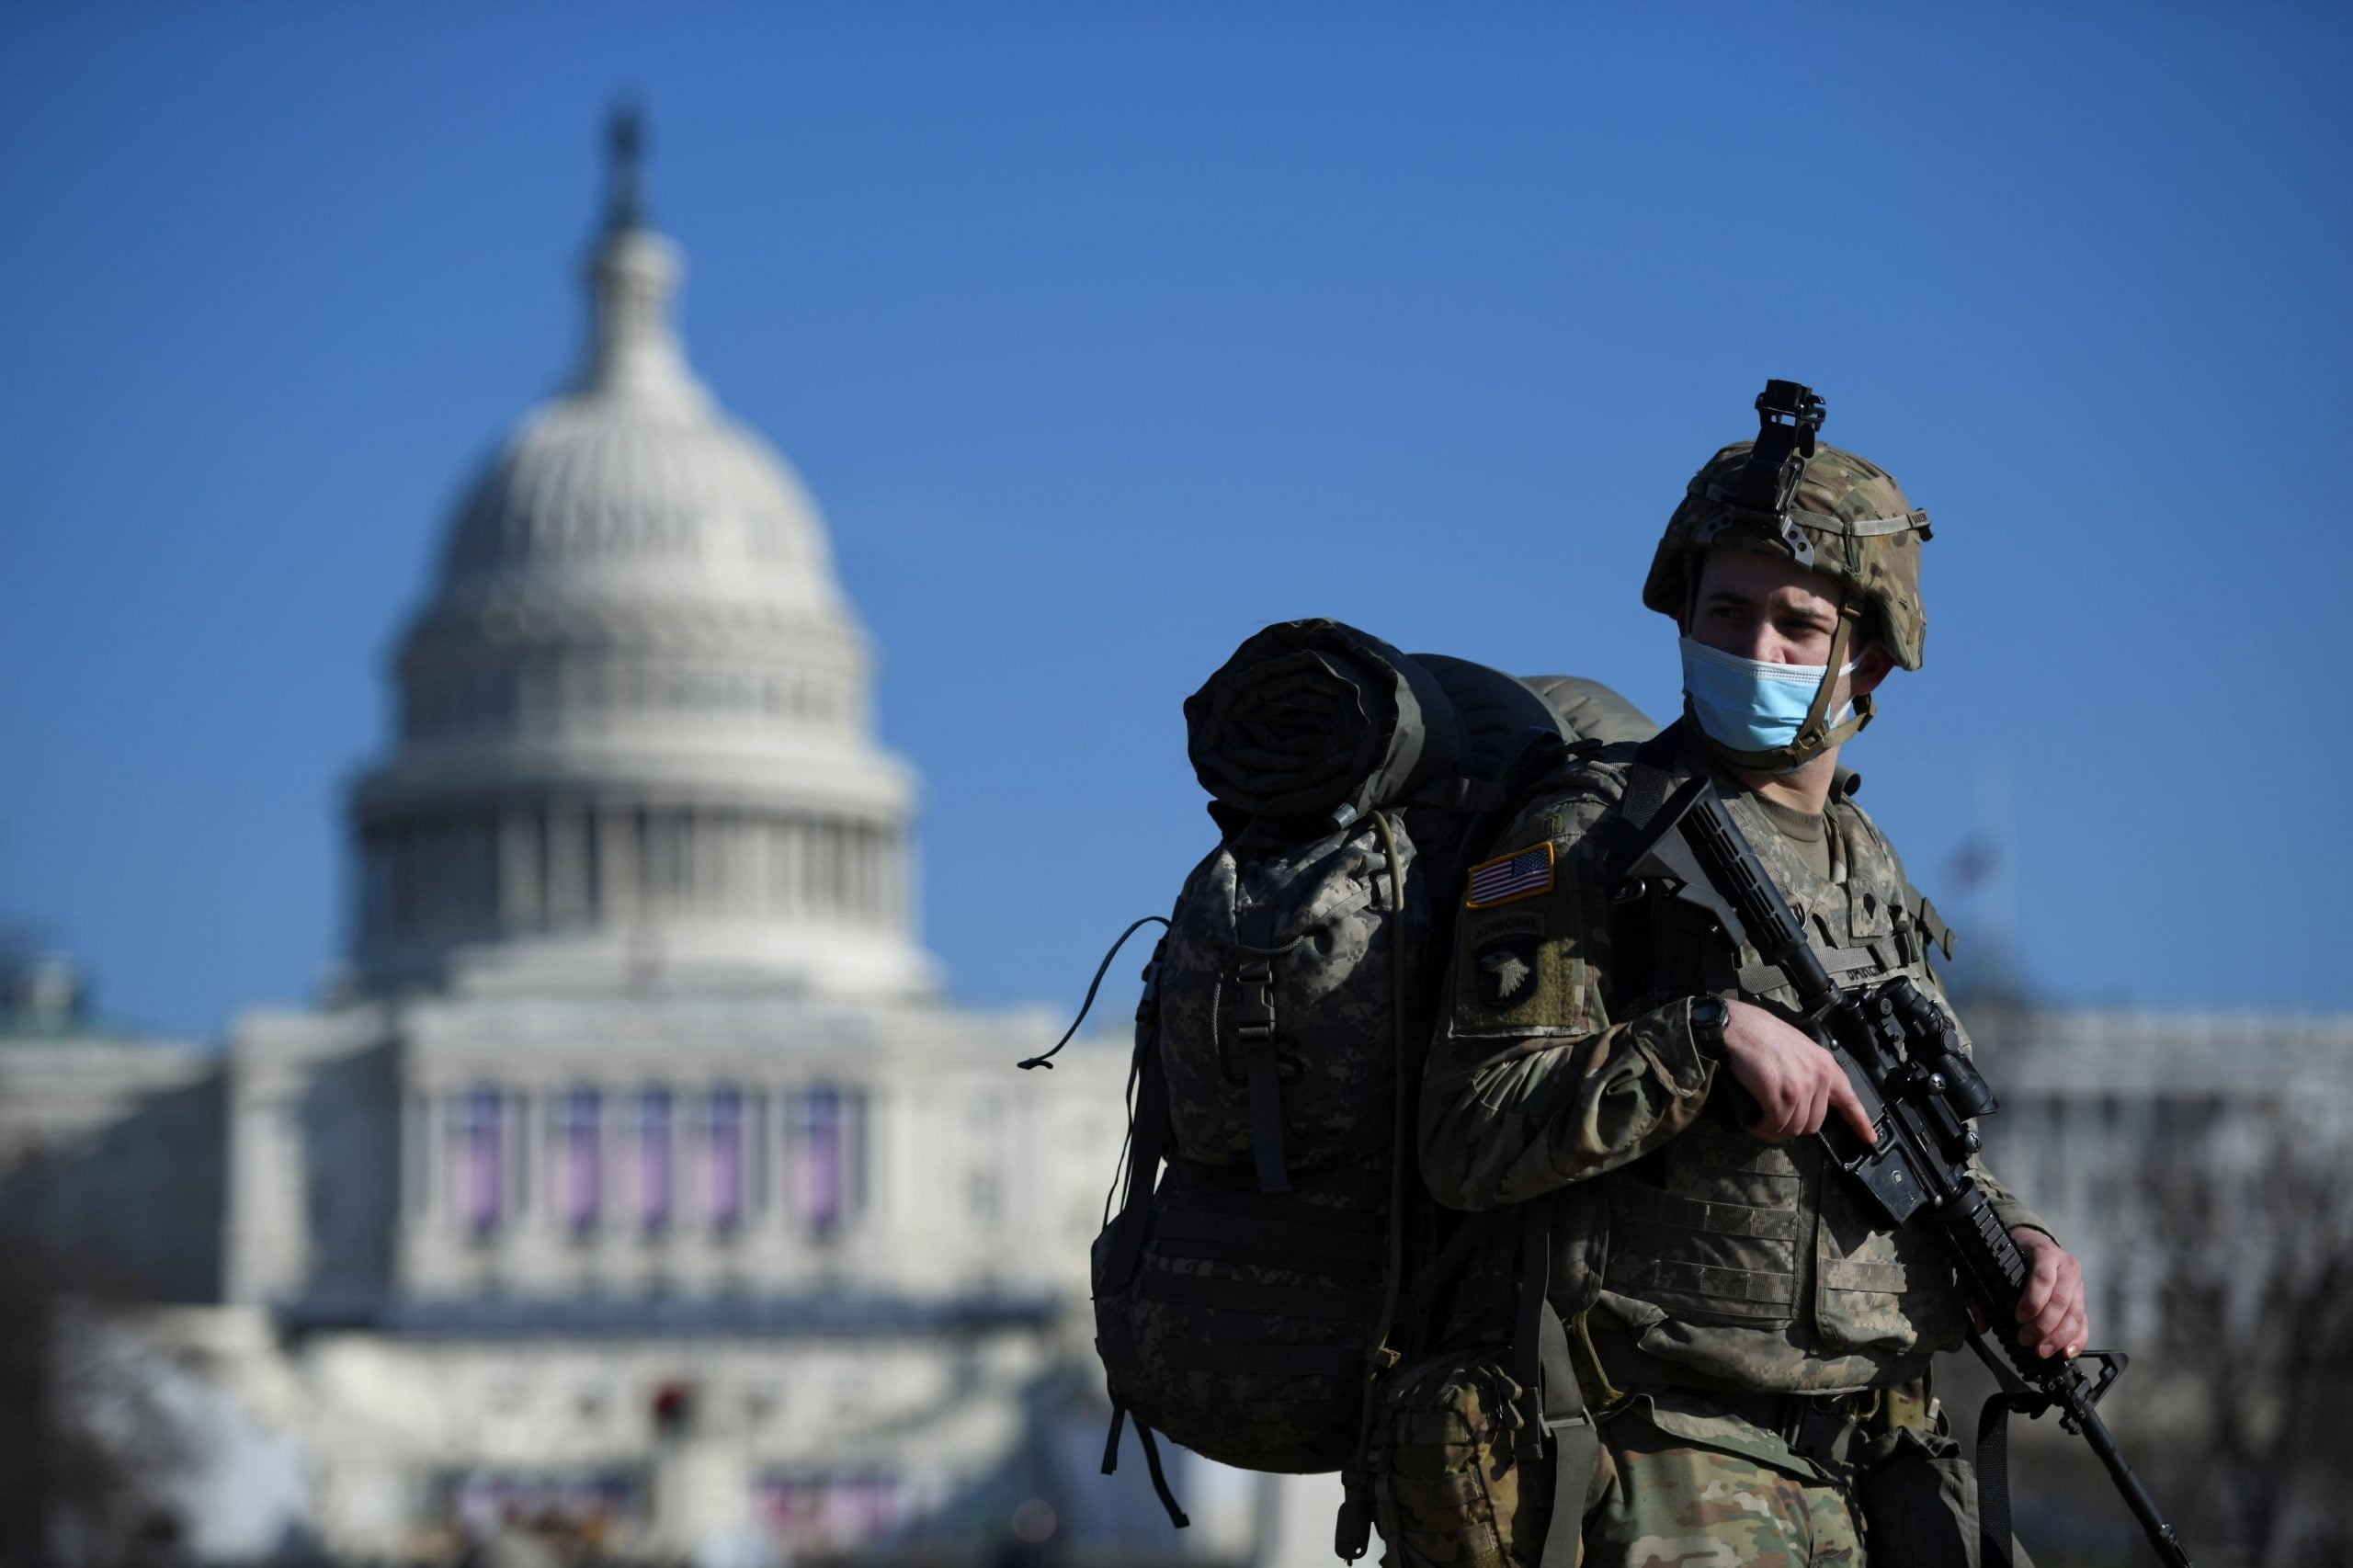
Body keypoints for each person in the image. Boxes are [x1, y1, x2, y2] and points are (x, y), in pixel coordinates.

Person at [1403, 409, 2086, 1566]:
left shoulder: (1867, 866)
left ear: (1866, 658)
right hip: (1672, 1458)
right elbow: (1467, 1131)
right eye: (1727, 612)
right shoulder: (1590, 837)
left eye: (1797, 622)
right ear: (1683, 615)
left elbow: (1913, 1127)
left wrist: (2019, 1237)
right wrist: (1701, 1039)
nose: (1755, 647)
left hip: (1880, 1457)